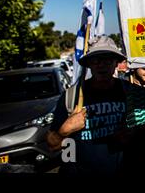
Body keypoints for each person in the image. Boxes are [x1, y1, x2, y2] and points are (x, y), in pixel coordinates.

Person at [45, 36, 128, 174]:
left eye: (108, 59)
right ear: (89, 64)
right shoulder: (72, 96)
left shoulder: (130, 92)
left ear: (116, 63)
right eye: (96, 60)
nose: (101, 64)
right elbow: (52, 145)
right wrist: (65, 130)